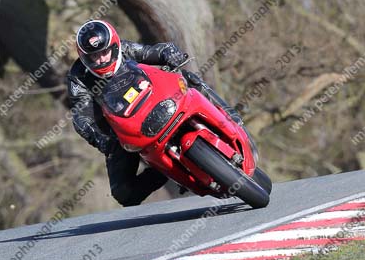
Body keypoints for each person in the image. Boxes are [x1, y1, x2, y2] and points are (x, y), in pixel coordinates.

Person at [67, 19, 243, 207]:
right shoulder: (78, 78)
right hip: (122, 132)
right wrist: (101, 139)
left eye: (104, 52)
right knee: (123, 193)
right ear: (84, 57)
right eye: (94, 56)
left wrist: (169, 53)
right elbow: (81, 116)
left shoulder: (125, 49)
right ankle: (166, 170)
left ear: (114, 46)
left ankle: (229, 116)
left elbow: (151, 52)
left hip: (157, 102)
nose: (101, 59)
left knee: (188, 79)